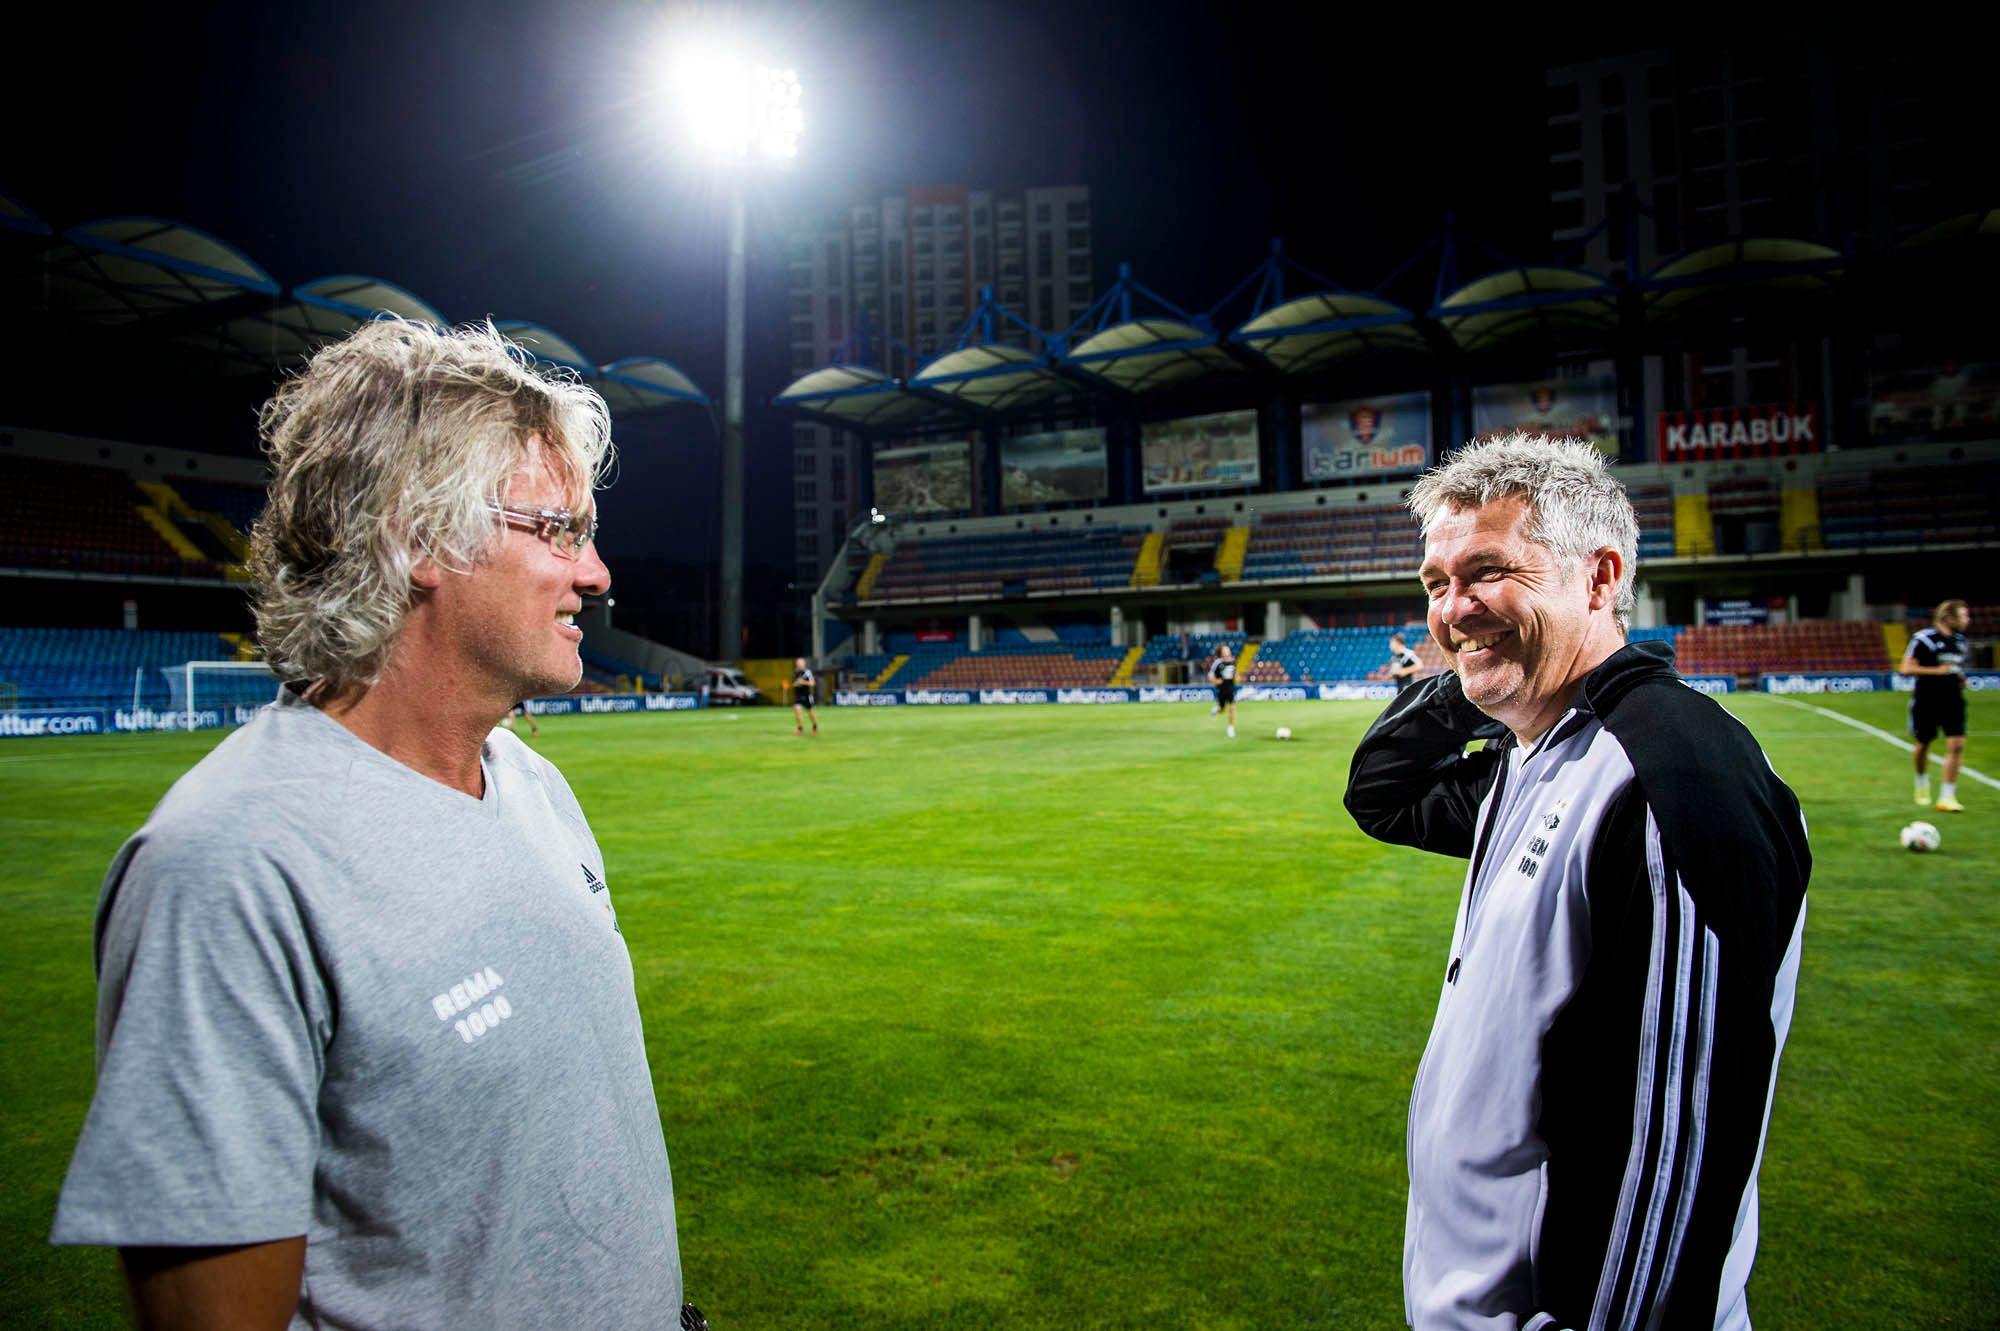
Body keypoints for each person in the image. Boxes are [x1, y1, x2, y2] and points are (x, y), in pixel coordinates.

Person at [51, 319, 699, 1329]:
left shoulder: (534, 786)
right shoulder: (229, 865)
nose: (597, 572)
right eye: (560, 530)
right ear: (421, 536)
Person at [1343, 433, 1810, 1331]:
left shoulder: (1670, 773)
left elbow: (1667, 1154)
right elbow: (1381, 794)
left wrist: (1497, 647)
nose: (1452, 606)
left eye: (1488, 571)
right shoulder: (1535, 750)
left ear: (1600, 577)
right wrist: (1482, 654)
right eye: (1436, 583)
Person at [1902, 598, 1971, 812]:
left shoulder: (1960, 641)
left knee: (1957, 745)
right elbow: (1906, 668)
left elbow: (1954, 667)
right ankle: (1922, 780)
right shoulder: (1924, 639)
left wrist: (1960, 677)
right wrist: (1937, 671)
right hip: (1926, 700)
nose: (1967, 620)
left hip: (1953, 699)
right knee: (1923, 744)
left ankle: (1947, 796)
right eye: (1963, 615)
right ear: (1948, 617)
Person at [1208, 641, 1237, 737]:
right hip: (1221, 689)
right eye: (1225, 650)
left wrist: (1236, 677)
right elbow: (1210, 676)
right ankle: (1215, 710)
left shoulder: (1233, 662)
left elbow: (1235, 673)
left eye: (1228, 650)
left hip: (1230, 688)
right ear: (1221, 653)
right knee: (1221, 710)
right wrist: (1216, 681)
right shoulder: (1217, 663)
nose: (1227, 652)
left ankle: (1230, 728)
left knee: (1232, 707)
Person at [791, 655, 819, 735]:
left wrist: (803, 682)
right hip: (798, 695)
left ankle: (815, 726)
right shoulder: (795, 672)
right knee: (797, 711)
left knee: (810, 712)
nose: (799, 665)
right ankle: (800, 729)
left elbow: (812, 683)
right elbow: (794, 682)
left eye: (800, 663)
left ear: (804, 664)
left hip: (806, 695)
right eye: (798, 663)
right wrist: (795, 683)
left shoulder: (807, 672)